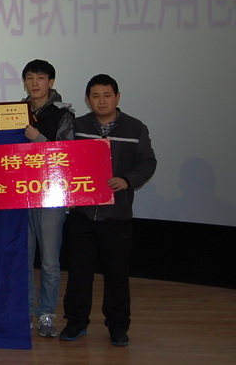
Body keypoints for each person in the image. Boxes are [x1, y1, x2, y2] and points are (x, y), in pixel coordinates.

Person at [60, 74, 156, 347]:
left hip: (117, 215)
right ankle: (76, 321)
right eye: (95, 96)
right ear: (87, 100)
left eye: (107, 95)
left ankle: (117, 326)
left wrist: (127, 180)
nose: (101, 101)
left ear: (117, 97)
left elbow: (148, 162)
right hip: (82, 213)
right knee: (79, 273)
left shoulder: (135, 128)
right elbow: (62, 160)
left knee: (117, 274)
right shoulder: (77, 126)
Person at [20, 59, 74, 338]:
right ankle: (26, 313)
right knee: (24, 259)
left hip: (52, 195)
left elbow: (68, 153)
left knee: (50, 262)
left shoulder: (63, 114)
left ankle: (46, 314)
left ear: (51, 82)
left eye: (40, 78)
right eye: (29, 78)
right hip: (21, 194)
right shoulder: (15, 111)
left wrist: (39, 138)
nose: (35, 83)